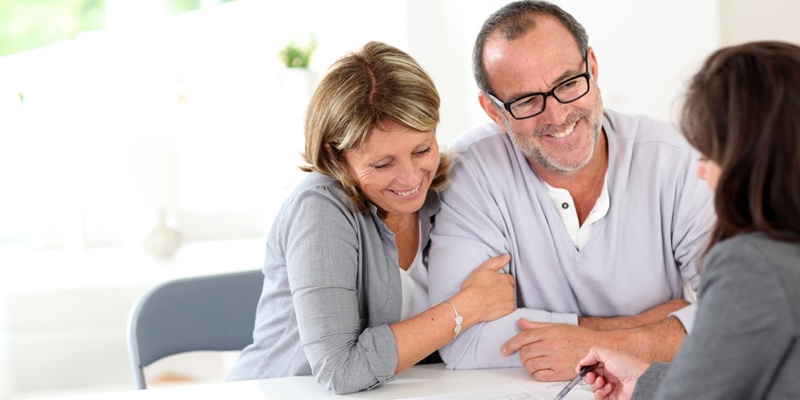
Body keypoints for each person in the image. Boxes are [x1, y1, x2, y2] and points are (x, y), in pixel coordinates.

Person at [427, 0, 716, 380]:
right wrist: (647, 327)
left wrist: (596, 344)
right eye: (526, 101)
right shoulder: (471, 170)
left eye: (567, 84)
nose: (558, 116)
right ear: (495, 112)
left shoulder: (675, 160)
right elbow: (461, 340)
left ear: (592, 68)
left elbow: (735, 312)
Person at [226, 41, 517, 395]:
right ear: (336, 155)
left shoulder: (445, 194)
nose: (411, 179)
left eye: (422, 149)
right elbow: (340, 370)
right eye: (383, 164)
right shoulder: (319, 209)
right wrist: (466, 307)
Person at [577, 40, 800, 400]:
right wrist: (648, 381)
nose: (700, 171)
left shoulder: (752, 265)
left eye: (710, 154)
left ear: (751, 158)